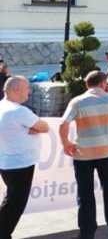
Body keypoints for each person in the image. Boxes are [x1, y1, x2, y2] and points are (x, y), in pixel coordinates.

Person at [59, 71, 108, 239]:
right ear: (103, 83)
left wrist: (66, 143)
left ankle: (87, 232)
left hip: (83, 154)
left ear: (87, 84)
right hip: (106, 152)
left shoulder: (77, 101)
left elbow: (63, 123)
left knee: (85, 193)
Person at [0, 76, 49, 239]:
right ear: (17, 89)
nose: (30, 91)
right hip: (19, 163)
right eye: (27, 87)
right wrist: (33, 128)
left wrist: (32, 128)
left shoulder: (3, 106)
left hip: (7, 161)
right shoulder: (18, 111)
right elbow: (44, 127)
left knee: (11, 201)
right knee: (15, 205)